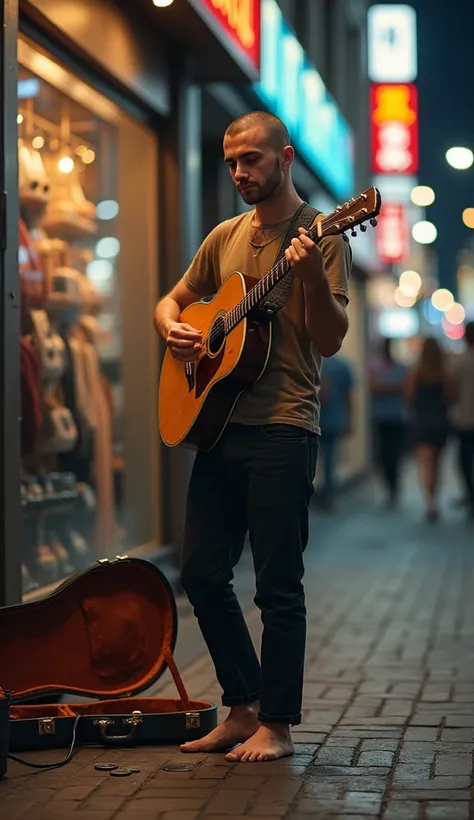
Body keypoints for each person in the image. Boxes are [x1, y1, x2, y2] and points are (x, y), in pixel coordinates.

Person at [154, 111, 351, 763]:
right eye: (231, 161)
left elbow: (329, 340)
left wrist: (315, 279)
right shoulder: (225, 236)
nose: (240, 172)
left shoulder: (323, 234)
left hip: (283, 429)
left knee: (277, 585)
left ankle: (279, 724)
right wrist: (172, 327)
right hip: (219, 428)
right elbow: (174, 298)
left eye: (253, 160)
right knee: (202, 573)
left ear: (286, 158)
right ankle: (241, 708)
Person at [404, 336, 453, 521]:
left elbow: (408, 397)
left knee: (425, 464)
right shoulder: (444, 374)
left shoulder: (416, 374)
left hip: (422, 421)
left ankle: (430, 502)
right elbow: (450, 398)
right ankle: (435, 500)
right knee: (436, 464)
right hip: (440, 422)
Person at [369, 337, 408, 505]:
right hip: (381, 417)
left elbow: (405, 389)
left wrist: (385, 387)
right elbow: (373, 387)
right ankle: (390, 485)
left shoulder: (401, 368)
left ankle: (393, 487)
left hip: (396, 417)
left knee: (394, 455)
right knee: (381, 456)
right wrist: (394, 388)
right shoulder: (375, 366)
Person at [318, 354, 355, 509]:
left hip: (315, 419)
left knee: (312, 459)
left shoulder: (314, 363)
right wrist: (349, 421)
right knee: (329, 458)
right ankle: (328, 494)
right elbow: (348, 397)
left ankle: (319, 492)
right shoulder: (343, 366)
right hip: (335, 420)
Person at [450, 320, 474, 518]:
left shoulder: (459, 363)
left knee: (464, 461)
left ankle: (471, 494)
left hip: (465, 420)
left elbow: (450, 393)